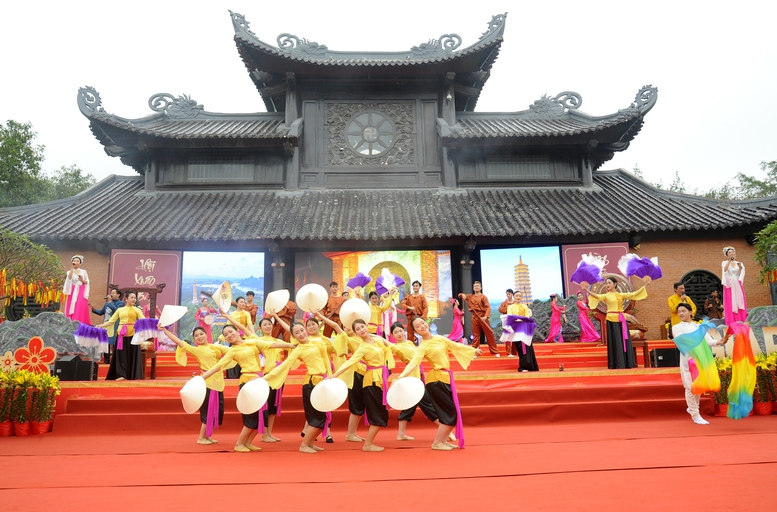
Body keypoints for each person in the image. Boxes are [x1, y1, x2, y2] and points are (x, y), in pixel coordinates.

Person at [200, 318, 294, 452]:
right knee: (251, 415)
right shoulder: (232, 351)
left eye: (231, 332)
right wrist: (200, 378)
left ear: (237, 332)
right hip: (247, 383)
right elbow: (217, 367)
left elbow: (271, 345)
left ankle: (248, 442)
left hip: (259, 381)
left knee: (263, 415)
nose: (229, 335)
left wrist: (291, 346)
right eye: (226, 335)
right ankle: (239, 444)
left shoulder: (252, 342)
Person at [397, 316, 481, 450]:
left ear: (427, 323)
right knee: (450, 412)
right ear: (416, 331)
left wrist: (473, 350)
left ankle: (442, 441)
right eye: (418, 326)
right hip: (435, 382)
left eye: (422, 323)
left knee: (453, 412)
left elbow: (455, 345)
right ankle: (436, 443)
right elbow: (413, 363)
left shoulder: (440, 339)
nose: (422, 326)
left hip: (446, 378)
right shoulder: (422, 346)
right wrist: (401, 377)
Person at [263, 320, 335, 454]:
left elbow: (326, 360)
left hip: (323, 382)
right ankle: (304, 445)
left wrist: (330, 377)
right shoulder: (298, 350)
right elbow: (284, 366)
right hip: (311, 384)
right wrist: (264, 379)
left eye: (302, 330)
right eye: (296, 333)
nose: (301, 334)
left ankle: (310, 443)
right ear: (294, 336)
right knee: (317, 418)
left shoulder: (318, 342)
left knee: (324, 417)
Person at [330, 318, 395, 452]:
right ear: (356, 333)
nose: (361, 330)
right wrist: (335, 375)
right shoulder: (362, 347)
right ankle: (368, 444)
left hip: (381, 378)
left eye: (362, 327)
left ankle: (369, 443)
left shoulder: (377, 340)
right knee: (378, 412)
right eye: (358, 329)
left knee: (382, 412)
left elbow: (392, 347)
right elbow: (350, 362)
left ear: (366, 326)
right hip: (371, 379)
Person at [385, 322, 456, 442]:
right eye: (395, 332)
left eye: (400, 330)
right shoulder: (396, 347)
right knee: (428, 405)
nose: (399, 334)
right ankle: (445, 429)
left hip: (418, 375)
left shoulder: (409, 343)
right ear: (392, 335)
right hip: (411, 378)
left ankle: (401, 434)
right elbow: (386, 343)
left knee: (410, 406)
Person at [160, 324, 229, 444]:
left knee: (216, 410)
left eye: (201, 334)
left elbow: (233, 351)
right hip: (207, 383)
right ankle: (201, 437)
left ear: (207, 334)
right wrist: (164, 330)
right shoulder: (196, 350)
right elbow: (179, 342)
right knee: (208, 410)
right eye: (196, 336)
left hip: (218, 382)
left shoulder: (216, 347)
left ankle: (207, 436)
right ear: (195, 339)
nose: (199, 337)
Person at [672, 303, 726, 425]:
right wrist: (701, 332)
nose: (681, 313)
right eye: (679, 311)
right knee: (690, 387)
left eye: (683, 311)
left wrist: (720, 341)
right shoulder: (677, 327)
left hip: (700, 360)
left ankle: (692, 408)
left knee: (699, 386)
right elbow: (683, 340)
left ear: (690, 312)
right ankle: (695, 414)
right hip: (688, 360)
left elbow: (709, 341)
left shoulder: (698, 327)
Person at [582, 277, 649, 369]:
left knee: (623, 340)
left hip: (621, 319)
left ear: (615, 284)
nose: (607, 285)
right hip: (611, 320)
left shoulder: (620, 295)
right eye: (606, 283)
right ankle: (617, 364)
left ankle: (626, 363)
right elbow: (597, 296)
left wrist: (645, 285)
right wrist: (586, 289)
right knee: (615, 341)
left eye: (609, 283)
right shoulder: (606, 296)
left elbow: (634, 294)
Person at [97, 291, 145, 380]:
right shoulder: (120, 310)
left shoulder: (137, 310)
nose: (134, 299)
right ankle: (121, 375)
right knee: (121, 356)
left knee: (132, 355)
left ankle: (132, 375)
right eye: (132, 297)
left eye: (135, 298)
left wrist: (153, 324)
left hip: (133, 335)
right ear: (126, 299)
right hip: (121, 335)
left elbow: (144, 321)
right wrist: (100, 326)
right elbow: (111, 321)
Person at [458, 281, 498, 356]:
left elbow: (488, 307)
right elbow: (460, 295)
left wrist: (486, 316)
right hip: (474, 316)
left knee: (489, 334)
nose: (476, 287)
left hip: (482, 316)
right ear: (473, 288)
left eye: (478, 286)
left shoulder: (483, 297)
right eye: (475, 286)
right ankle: (475, 352)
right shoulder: (470, 296)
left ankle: (495, 351)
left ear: (481, 288)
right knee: (476, 335)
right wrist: (462, 295)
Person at [90, 287, 124, 363]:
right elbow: (101, 312)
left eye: (113, 293)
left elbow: (117, 312)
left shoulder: (121, 303)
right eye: (111, 293)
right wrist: (93, 309)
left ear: (118, 295)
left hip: (114, 326)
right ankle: (106, 359)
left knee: (114, 342)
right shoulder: (107, 303)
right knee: (106, 342)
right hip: (106, 325)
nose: (111, 294)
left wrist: (110, 303)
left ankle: (115, 361)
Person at [507, 291, 539, 372]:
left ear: (521, 298)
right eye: (516, 295)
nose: (518, 297)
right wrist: (517, 319)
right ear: (514, 297)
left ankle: (525, 366)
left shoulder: (525, 306)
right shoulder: (510, 307)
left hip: (524, 330)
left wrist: (521, 319)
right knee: (520, 348)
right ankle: (523, 365)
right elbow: (510, 317)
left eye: (520, 296)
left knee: (526, 347)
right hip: (515, 330)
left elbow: (527, 317)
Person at [62, 254, 91, 324]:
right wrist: (72, 268)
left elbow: (87, 281)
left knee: (80, 304)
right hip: (72, 289)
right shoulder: (69, 272)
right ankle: (72, 321)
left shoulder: (83, 271)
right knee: (72, 305)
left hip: (81, 289)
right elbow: (69, 278)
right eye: (74, 261)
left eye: (78, 261)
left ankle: (80, 321)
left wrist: (82, 280)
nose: (76, 262)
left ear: (80, 263)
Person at [722, 246, 747, 323]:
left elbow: (742, 272)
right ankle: (731, 320)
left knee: (739, 299)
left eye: (732, 252)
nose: (731, 254)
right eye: (729, 253)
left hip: (737, 283)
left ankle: (741, 319)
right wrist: (729, 261)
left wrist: (740, 268)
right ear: (727, 255)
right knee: (731, 300)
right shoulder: (724, 263)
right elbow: (725, 270)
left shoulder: (739, 263)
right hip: (729, 284)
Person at [498, 289, 517, 356]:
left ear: (512, 294)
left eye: (509, 294)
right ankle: (508, 352)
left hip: (514, 321)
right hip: (506, 320)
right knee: (507, 336)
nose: (508, 295)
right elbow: (500, 309)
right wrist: (509, 309)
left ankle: (514, 352)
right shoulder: (504, 303)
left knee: (514, 336)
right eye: (507, 294)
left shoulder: (515, 302)